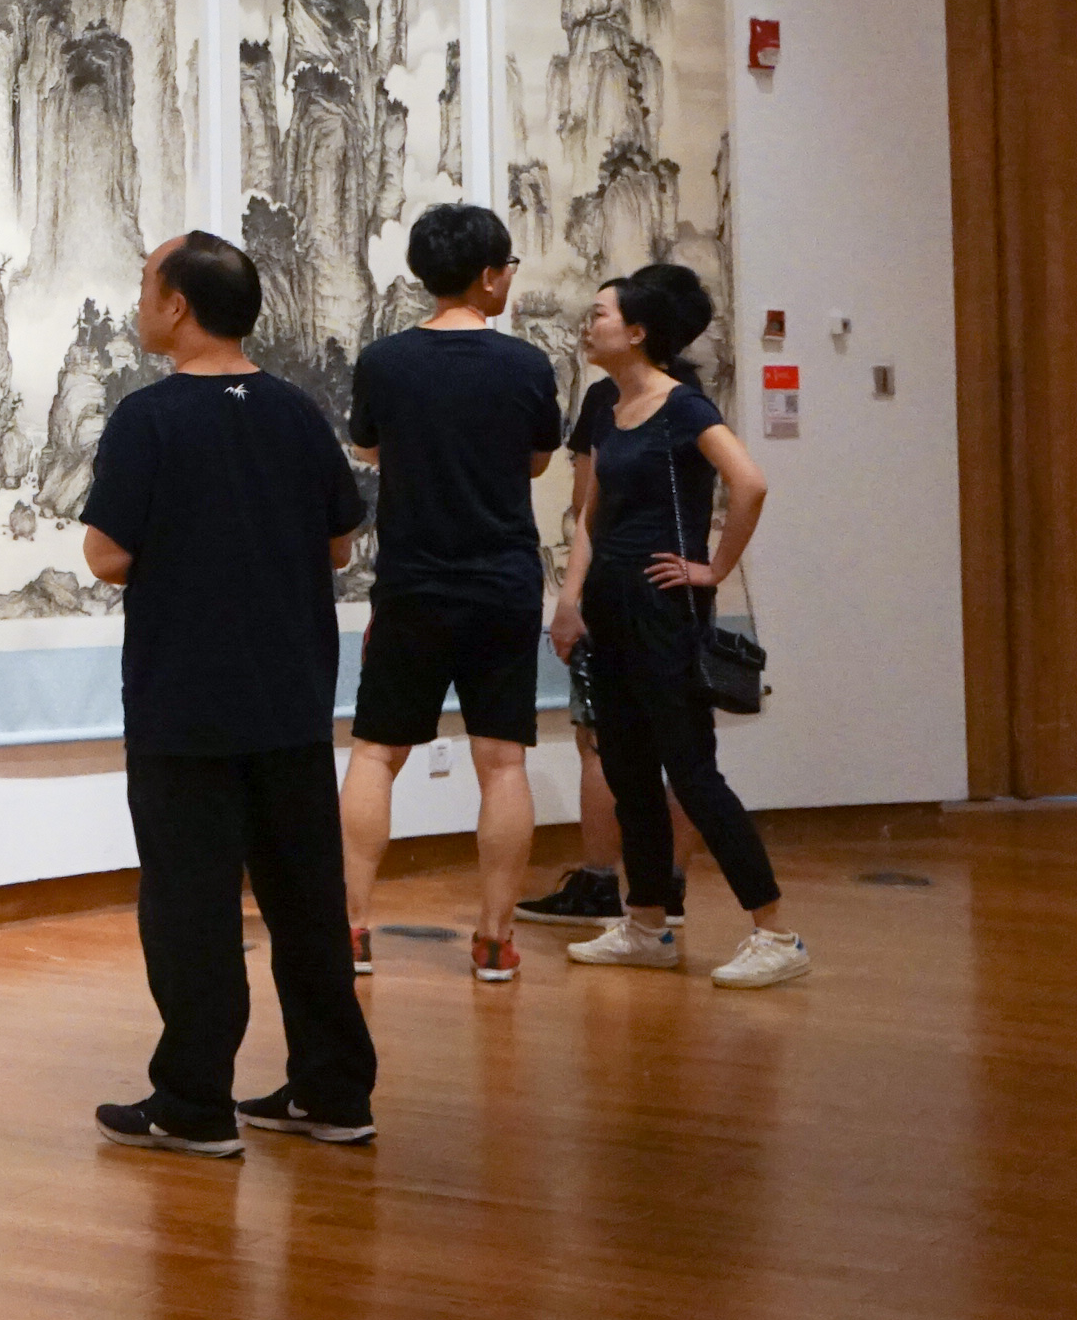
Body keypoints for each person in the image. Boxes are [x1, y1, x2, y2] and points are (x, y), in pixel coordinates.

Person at [82, 232, 379, 1156]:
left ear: (177, 306)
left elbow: (107, 555)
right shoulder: (296, 411)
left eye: (147, 284)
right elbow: (340, 544)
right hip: (291, 695)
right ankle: (335, 1092)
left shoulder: (149, 418)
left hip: (184, 701)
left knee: (192, 909)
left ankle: (194, 1101)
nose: (140, 300)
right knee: (308, 904)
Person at [549, 261, 809, 988]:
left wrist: (714, 567)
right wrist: (571, 599)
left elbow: (750, 483)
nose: (588, 324)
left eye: (600, 314)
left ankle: (776, 933)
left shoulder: (684, 406)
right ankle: (647, 925)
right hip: (611, 609)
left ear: (637, 332)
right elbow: (592, 514)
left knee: (692, 774)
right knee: (629, 772)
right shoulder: (609, 406)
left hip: (664, 611)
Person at [339, 204, 568, 982]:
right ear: (489, 275)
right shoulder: (526, 365)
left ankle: (352, 928)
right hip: (502, 585)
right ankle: (495, 939)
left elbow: (368, 446)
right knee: (502, 764)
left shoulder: (385, 361)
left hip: (412, 582)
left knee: (376, 754)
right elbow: (537, 461)